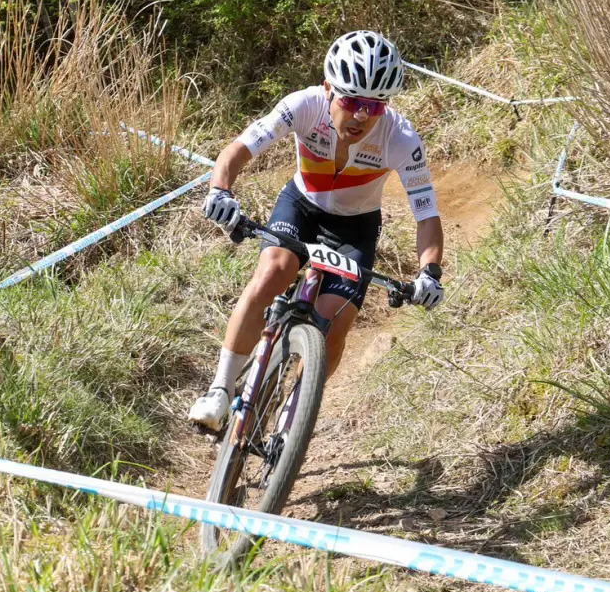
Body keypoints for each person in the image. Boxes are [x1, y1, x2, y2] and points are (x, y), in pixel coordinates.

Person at [188, 30, 445, 430]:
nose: (361, 116)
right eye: (351, 101)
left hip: (356, 228)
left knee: (334, 320)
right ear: (328, 89)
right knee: (273, 271)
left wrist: (430, 272)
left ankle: (295, 413)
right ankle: (220, 389)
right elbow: (238, 150)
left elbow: (426, 213)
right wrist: (220, 190)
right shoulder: (304, 105)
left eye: (374, 106)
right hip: (301, 206)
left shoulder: (400, 137)